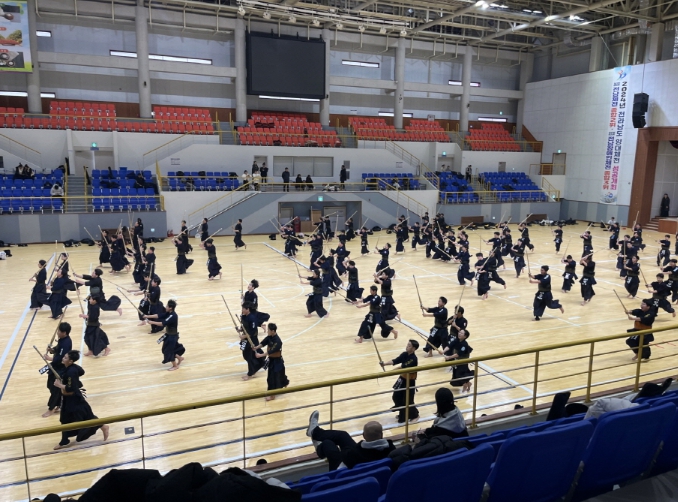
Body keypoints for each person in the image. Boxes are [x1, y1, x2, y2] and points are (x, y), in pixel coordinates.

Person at [52, 350, 109, 450]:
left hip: (76, 400)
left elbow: (71, 388)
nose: (63, 358)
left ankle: (103, 426)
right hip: (67, 399)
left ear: (70, 361)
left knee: (87, 417)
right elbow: (81, 371)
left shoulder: (71, 371)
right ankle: (64, 441)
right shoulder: (73, 367)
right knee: (65, 420)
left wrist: (59, 385)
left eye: (65, 358)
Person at [306, 411, 395, 471]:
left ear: (363, 435)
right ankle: (314, 432)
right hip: (361, 461)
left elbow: (344, 461)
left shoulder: (354, 453)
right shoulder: (391, 449)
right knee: (343, 435)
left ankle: (318, 446)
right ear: (382, 434)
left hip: (341, 470)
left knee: (327, 443)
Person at [381, 340, 420, 423]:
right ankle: (401, 410)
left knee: (408, 400)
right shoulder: (404, 354)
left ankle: (415, 415)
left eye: (409, 346)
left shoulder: (413, 359)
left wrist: (390, 372)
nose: (407, 346)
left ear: (414, 348)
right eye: (407, 345)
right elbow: (395, 361)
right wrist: (384, 364)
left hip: (409, 381)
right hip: (402, 378)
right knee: (396, 396)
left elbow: (402, 367)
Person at [41, 322, 73, 418]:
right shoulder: (61, 340)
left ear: (65, 333)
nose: (57, 332)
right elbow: (58, 349)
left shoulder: (66, 343)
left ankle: (51, 408)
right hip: (55, 367)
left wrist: (50, 358)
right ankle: (59, 404)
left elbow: (62, 357)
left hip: (60, 369)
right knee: (50, 385)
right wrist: (52, 350)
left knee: (55, 388)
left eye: (59, 331)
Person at [145, 299, 186, 371]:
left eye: (167, 306)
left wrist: (151, 322)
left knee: (168, 351)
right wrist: (147, 316)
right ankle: (179, 358)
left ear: (170, 308)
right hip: (168, 335)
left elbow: (162, 323)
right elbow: (159, 315)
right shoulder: (168, 313)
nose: (165, 307)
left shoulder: (172, 316)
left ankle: (175, 366)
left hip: (172, 337)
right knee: (165, 350)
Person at [253, 323, 289, 399]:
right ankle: (284, 383)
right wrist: (256, 347)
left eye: (268, 330)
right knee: (274, 376)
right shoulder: (269, 337)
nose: (267, 331)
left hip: (277, 362)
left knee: (274, 377)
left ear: (273, 331)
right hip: (271, 360)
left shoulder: (278, 341)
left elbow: (270, 352)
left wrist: (260, 355)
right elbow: (263, 343)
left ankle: (272, 395)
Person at [237, 302, 266, 380]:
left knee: (249, 355)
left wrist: (244, 336)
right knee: (247, 355)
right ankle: (259, 364)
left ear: (248, 309)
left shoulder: (252, 318)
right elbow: (244, 326)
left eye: (243, 308)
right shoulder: (243, 316)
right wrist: (240, 330)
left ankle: (250, 373)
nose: (242, 310)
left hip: (252, 340)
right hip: (246, 339)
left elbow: (252, 332)